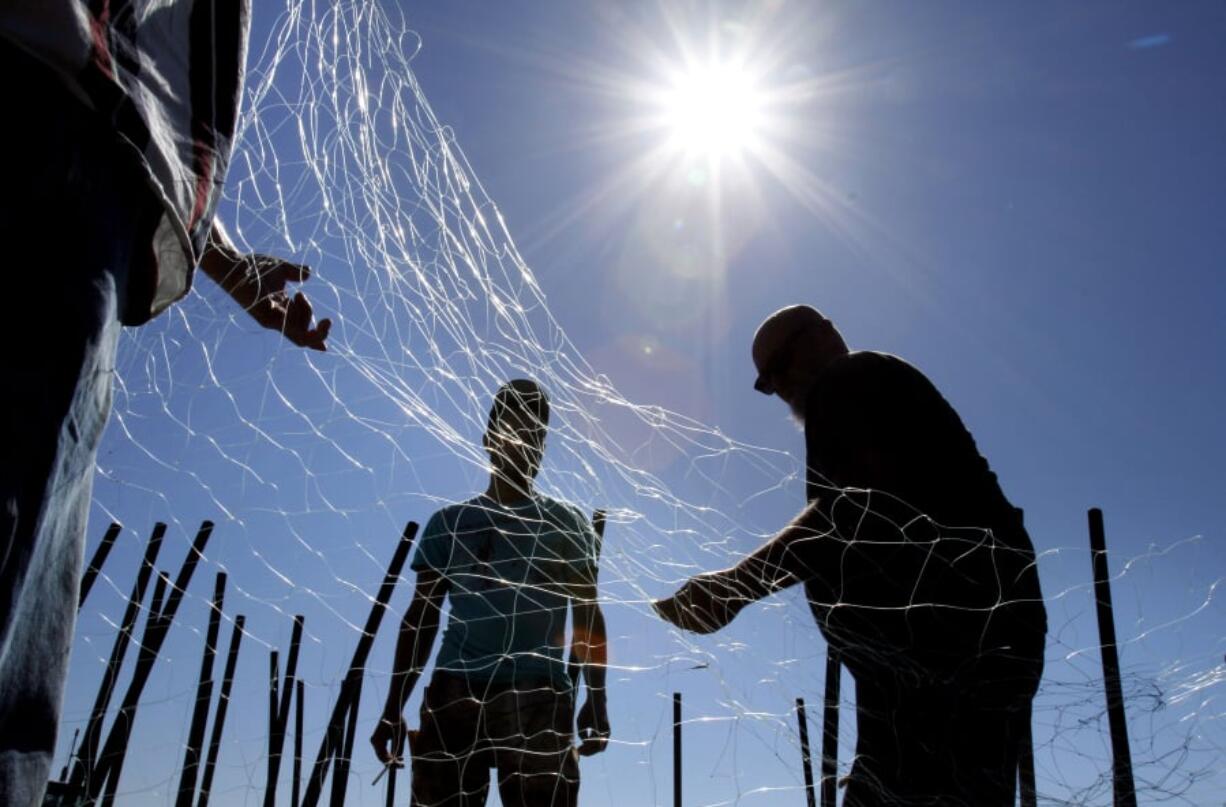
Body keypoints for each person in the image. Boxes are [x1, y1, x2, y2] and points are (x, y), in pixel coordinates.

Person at [0, 6, 331, 803]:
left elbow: (144, 83)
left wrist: (217, 259)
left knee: (23, 628)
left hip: (107, 186)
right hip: (53, 126)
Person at [654, 305, 1046, 806]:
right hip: (956, 660)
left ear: (822, 337)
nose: (776, 391)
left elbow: (855, 510)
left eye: (774, 373)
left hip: (952, 653)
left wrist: (735, 587)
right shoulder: (870, 394)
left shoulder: (848, 378)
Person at [370, 380, 610, 807]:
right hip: (455, 689)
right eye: (513, 434)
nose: (523, 447)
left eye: (535, 437)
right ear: (488, 440)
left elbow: (587, 613)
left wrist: (596, 696)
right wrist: (394, 704)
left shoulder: (566, 523)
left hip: (539, 692)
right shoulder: (450, 522)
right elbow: (421, 616)